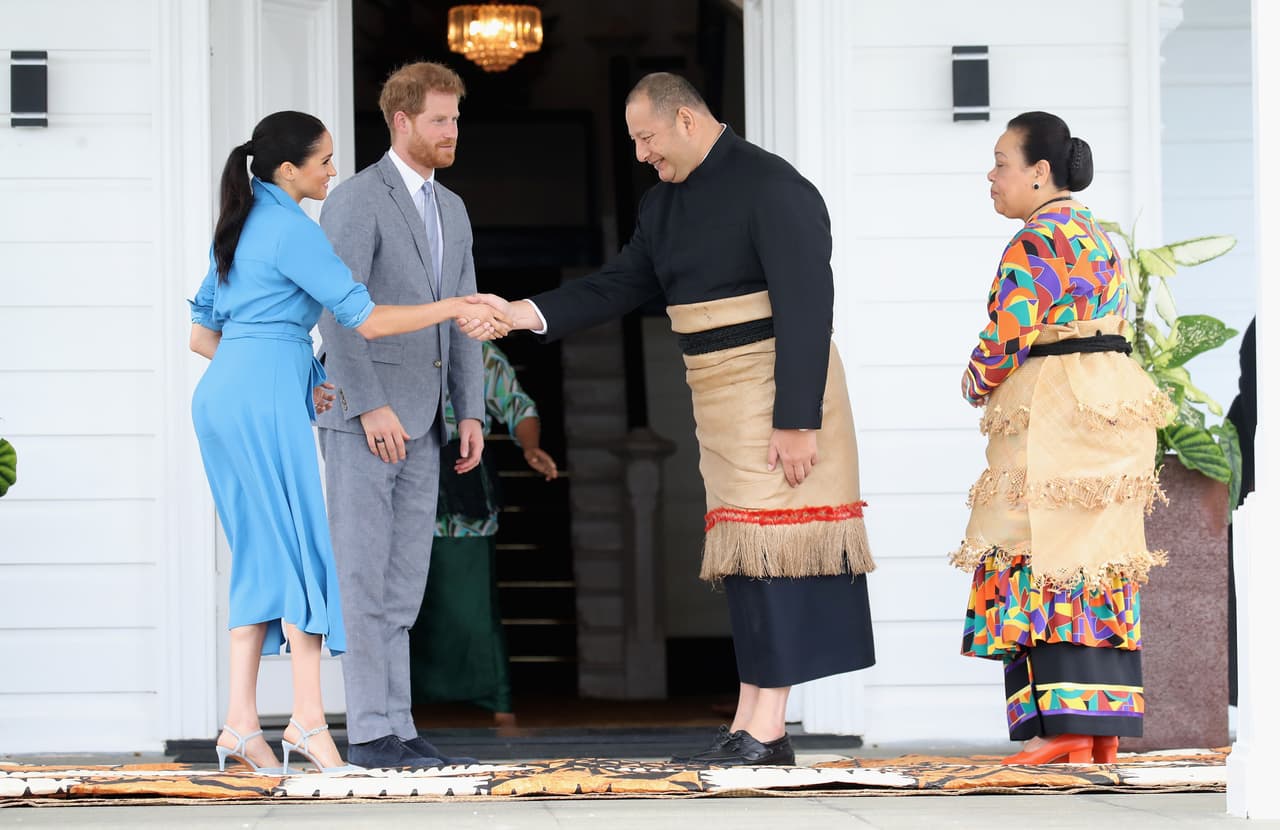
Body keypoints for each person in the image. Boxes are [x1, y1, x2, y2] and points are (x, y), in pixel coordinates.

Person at [468, 72, 877, 767]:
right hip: (716, 395)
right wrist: (521, 313)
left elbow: (808, 305)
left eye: (646, 138)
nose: (640, 155)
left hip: (778, 392)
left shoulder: (774, 186)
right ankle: (754, 717)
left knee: (775, 556)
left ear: (686, 121)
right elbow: (620, 284)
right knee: (744, 560)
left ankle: (769, 725)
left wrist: (797, 418)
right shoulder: (662, 207)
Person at [188, 110, 507, 774]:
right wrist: (453, 307)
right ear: (288, 171)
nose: (335, 170)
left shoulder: (240, 223)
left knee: (259, 556)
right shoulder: (294, 231)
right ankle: (307, 722)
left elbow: (204, 335)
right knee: (307, 558)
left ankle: (241, 725)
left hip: (222, 400)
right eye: (325, 160)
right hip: (264, 407)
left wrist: (297, 372)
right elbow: (364, 318)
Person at [953, 111, 1174, 765]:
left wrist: (972, 380)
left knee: (1040, 547)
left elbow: (1007, 337)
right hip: (1112, 407)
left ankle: (1063, 730)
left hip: (1055, 409)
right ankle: (1100, 731)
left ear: (1039, 172)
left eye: (1001, 163)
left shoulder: (1036, 242)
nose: (992, 177)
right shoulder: (1100, 240)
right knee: (1097, 554)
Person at [315, 61, 487, 770]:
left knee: (403, 581)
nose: (453, 131)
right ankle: (368, 730)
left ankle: (398, 720)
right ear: (403, 121)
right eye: (441, 119)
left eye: (455, 118)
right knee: (362, 575)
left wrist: (472, 411)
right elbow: (337, 309)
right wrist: (370, 405)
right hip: (367, 420)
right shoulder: (357, 198)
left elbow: (468, 314)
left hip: (429, 423)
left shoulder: (453, 209)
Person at [409, 341, 559, 728]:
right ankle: (397, 705)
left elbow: (517, 406)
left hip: (464, 482)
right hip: (402, 480)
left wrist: (531, 447)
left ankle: (499, 702)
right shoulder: (391, 337)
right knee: (404, 602)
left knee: (472, 603)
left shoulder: (477, 352)